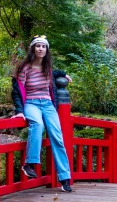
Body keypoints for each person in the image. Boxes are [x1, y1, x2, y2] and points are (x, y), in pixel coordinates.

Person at [11, 35, 73, 192]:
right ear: (33, 49)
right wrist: (19, 111)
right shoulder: (24, 68)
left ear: (47, 50)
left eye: (43, 46)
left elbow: (56, 73)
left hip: (48, 105)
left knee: (57, 136)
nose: (41, 49)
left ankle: (65, 177)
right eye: (38, 46)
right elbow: (17, 91)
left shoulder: (48, 68)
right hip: (31, 103)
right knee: (37, 125)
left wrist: (63, 74)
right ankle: (29, 164)